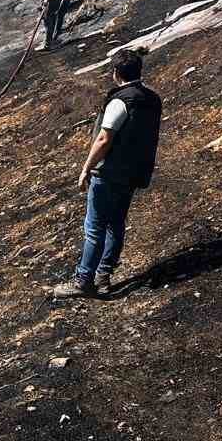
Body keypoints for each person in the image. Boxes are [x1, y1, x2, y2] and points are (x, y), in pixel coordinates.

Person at [51, 46, 162, 298]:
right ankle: (104, 275)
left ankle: (83, 280)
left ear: (116, 73)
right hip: (134, 172)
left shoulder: (121, 100)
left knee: (95, 227)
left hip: (110, 173)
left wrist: (86, 168)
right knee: (116, 224)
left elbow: (104, 138)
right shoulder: (152, 99)